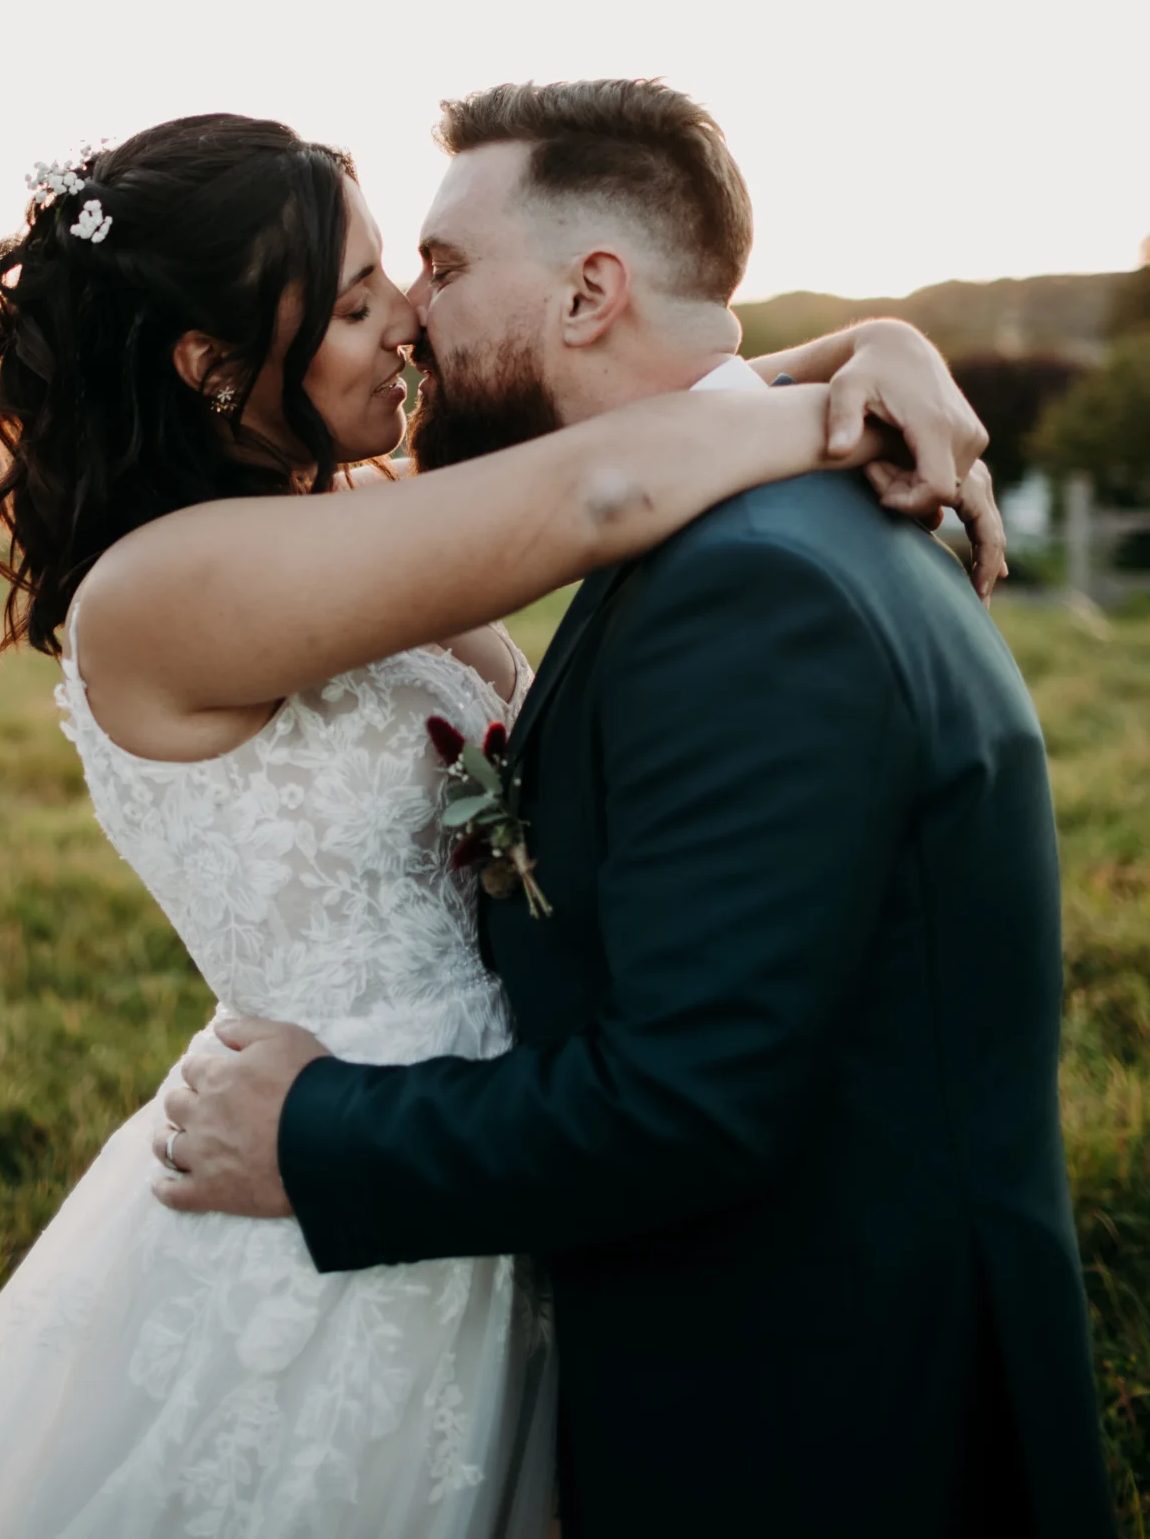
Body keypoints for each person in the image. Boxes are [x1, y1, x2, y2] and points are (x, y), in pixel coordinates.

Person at [0, 106, 997, 1539]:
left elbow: (647, 413)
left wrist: (881, 349)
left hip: (495, 1162)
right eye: (360, 299)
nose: (411, 322)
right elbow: (610, 482)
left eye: (404, 277)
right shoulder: (159, 592)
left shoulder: (353, 513)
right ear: (210, 366)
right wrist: (839, 408)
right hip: (331, 1188)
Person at [154, 82, 1116, 1539]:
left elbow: (691, 1101)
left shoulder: (754, 584)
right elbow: (610, 474)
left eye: (445, 265)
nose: (414, 313)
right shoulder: (751, 511)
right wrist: (869, 346)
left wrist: (317, 1133)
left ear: (592, 292)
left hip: (820, 1418)